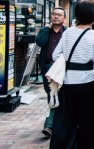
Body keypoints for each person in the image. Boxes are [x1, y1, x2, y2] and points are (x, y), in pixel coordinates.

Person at [50, 0, 94, 149]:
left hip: (68, 84)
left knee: (67, 121)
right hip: (88, 85)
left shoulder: (68, 32)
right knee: (90, 123)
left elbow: (55, 55)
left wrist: (70, 60)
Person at [35, 7, 67, 137]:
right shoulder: (45, 31)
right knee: (51, 95)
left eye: (59, 15)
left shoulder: (67, 33)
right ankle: (50, 125)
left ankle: (51, 125)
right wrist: (46, 30)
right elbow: (40, 42)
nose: (56, 17)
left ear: (64, 18)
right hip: (48, 68)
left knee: (62, 95)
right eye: (54, 14)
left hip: (62, 68)